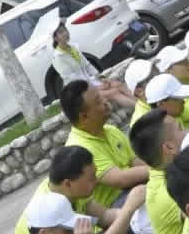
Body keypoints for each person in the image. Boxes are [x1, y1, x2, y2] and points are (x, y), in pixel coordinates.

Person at [11, 144, 146, 234]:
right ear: (68, 184)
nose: (96, 181)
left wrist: (141, 206)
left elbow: (104, 216)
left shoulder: (65, 189)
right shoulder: (49, 209)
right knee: (123, 229)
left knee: (130, 223)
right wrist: (128, 209)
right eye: (91, 178)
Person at [60, 79, 148, 207]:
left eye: (101, 96)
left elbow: (135, 161)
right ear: (84, 116)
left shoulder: (110, 130)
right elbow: (120, 179)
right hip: (114, 204)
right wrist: (159, 169)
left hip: (134, 188)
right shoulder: (79, 149)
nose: (105, 101)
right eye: (98, 101)